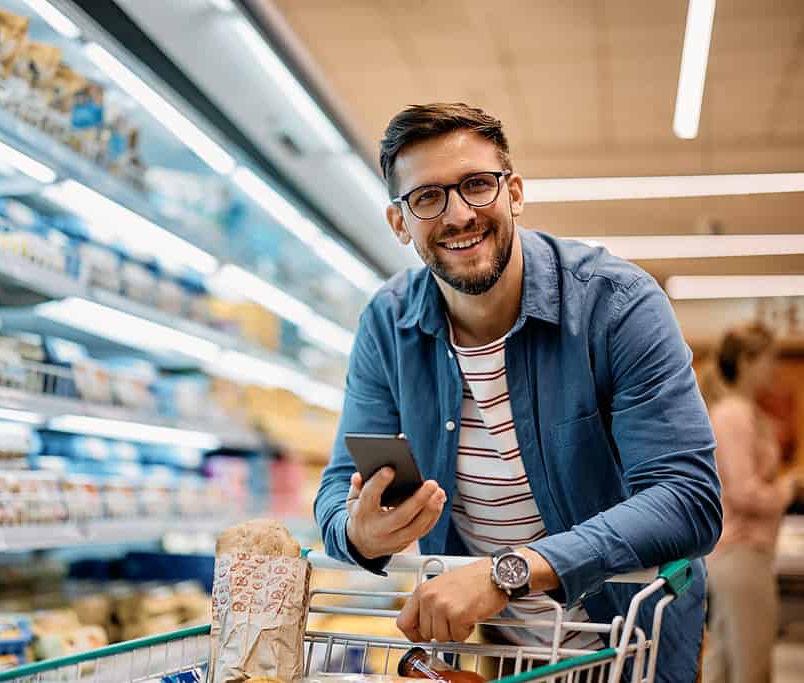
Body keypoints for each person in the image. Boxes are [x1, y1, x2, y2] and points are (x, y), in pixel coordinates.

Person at [313, 102, 722, 683]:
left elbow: (688, 498)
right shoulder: (389, 324)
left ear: (515, 193)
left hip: (628, 644)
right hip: (494, 655)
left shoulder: (617, 306)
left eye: (477, 185)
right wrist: (357, 531)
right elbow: (336, 488)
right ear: (400, 222)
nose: (458, 214)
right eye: (427, 198)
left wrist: (509, 571)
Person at [699, 324, 798, 683]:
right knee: (752, 666)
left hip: (740, 554)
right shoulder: (734, 416)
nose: (775, 367)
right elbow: (742, 492)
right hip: (741, 553)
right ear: (746, 361)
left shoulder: (744, 413)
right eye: (769, 358)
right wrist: (789, 488)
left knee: (726, 662)